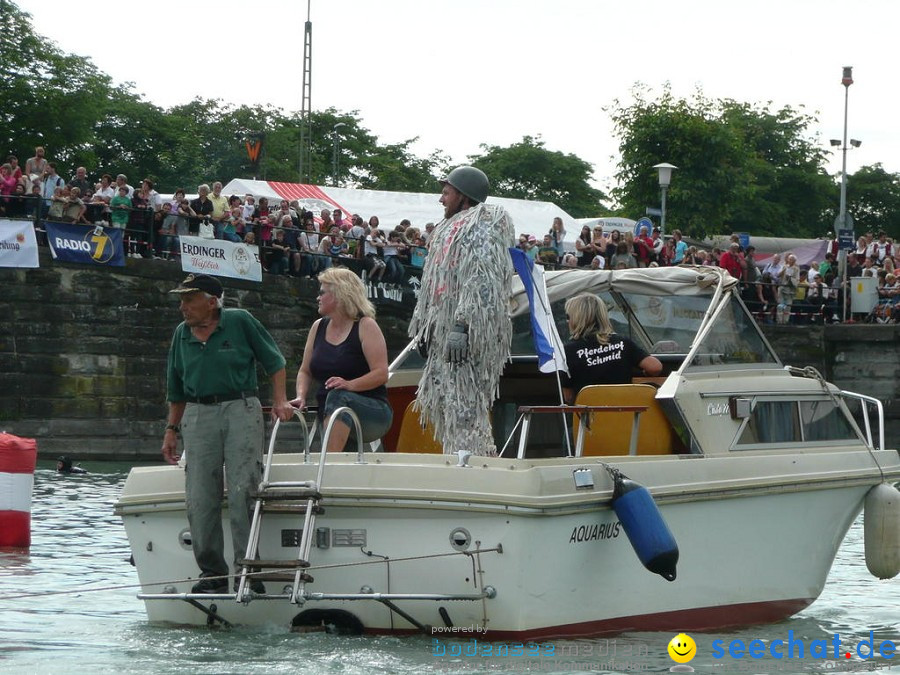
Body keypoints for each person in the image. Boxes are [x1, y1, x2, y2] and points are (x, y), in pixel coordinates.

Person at [162, 273, 294, 594]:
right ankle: (213, 574)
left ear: (211, 302)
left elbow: (274, 361)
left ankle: (250, 569)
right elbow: (176, 389)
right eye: (181, 299)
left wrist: (279, 400)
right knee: (199, 495)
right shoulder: (181, 334)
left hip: (240, 408)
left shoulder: (240, 321)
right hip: (197, 413)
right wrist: (171, 430)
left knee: (242, 488)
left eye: (189, 299)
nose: (183, 306)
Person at [408, 166, 514, 457]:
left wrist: (463, 325)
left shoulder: (483, 223)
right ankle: (461, 456)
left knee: (465, 402)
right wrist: (426, 328)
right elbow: (434, 283)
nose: (441, 200)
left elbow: (482, 276)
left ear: (463, 195)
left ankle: (473, 460)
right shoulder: (446, 228)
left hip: (467, 333)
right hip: (443, 331)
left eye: (445, 193)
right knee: (446, 402)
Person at [291, 268, 392, 452]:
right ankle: (331, 463)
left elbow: (381, 373)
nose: (317, 297)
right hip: (331, 410)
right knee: (336, 398)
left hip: (373, 410)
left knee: (338, 396)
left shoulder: (366, 325)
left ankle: (328, 464)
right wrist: (301, 396)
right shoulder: (318, 327)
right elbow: (305, 371)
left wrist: (349, 384)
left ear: (340, 294)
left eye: (322, 292)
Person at [560, 294, 663, 404]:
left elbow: (569, 397)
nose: (567, 321)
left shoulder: (567, 351)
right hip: (624, 414)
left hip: (588, 418)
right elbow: (655, 367)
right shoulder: (623, 343)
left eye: (568, 317)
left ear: (576, 318)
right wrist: (644, 373)